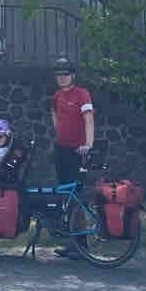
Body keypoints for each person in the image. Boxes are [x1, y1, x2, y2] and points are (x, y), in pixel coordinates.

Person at [50, 56, 95, 257]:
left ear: (73, 75)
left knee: (75, 196)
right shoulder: (57, 95)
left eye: (65, 74)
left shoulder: (82, 94)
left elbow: (89, 119)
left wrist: (88, 144)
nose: (62, 78)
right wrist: (58, 133)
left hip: (78, 151)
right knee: (65, 195)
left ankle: (82, 244)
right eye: (58, 74)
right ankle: (73, 243)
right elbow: (54, 115)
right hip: (62, 149)